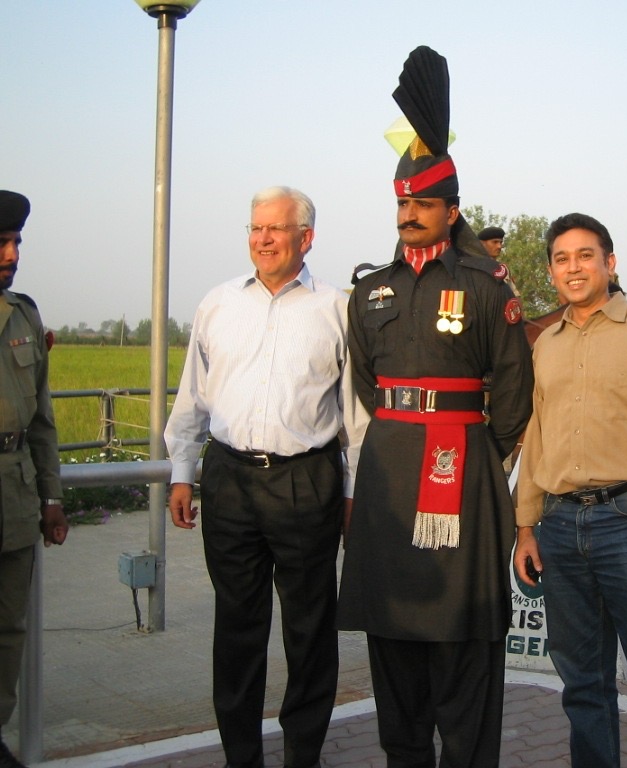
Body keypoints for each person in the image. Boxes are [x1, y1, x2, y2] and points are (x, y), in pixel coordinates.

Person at [335, 47, 533, 768]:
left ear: (452, 212)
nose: (410, 214)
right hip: (389, 484)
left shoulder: (487, 289)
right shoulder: (370, 291)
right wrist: (401, 438)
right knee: (394, 657)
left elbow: (513, 396)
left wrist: (475, 452)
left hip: (464, 479)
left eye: (423, 203)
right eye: (401, 203)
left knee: (464, 655)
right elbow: (364, 382)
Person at [164, 186, 366, 768]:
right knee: (237, 626)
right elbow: (192, 396)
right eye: (256, 228)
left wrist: (352, 492)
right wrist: (182, 470)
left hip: (307, 482)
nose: (264, 239)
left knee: (308, 629)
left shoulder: (336, 307)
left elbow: (354, 415)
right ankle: (241, 756)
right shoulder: (217, 303)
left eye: (276, 229)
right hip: (229, 479)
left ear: (306, 238)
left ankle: (303, 753)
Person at [514, 212, 627, 768]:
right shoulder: (545, 344)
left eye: (585, 255)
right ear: (551, 271)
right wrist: (526, 527)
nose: (574, 268)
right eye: (562, 259)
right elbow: (536, 439)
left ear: (609, 262)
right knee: (582, 684)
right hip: (562, 528)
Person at [0, 190, 68, 768]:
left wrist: (52, 497)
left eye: (16, 241)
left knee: (8, 629)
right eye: (1, 241)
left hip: (16, 495)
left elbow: (42, 420)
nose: (11, 251)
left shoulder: (23, 314)